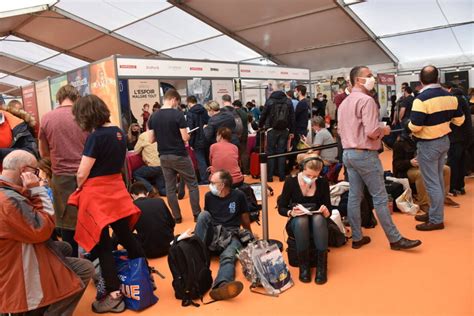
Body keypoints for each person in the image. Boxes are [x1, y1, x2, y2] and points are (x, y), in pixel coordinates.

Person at [69, 94, 145, 313]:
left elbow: (83, 172)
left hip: (98, 195)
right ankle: (142, 274)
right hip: (116, 189)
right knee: (125, 235)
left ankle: (113, 294)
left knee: (102, 245)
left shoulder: (96, 137)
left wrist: (78, 184)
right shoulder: (119, 132)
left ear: (86, 115)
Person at [0, 150, 94, 315]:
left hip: (12, 253)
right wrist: (38, 192)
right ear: (24, 171)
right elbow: (46, 228)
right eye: (35, 171)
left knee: (64, 247)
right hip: (18, 264)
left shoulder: (7, 192)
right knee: (85, 268)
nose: (37, 176)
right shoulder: (10, 201)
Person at [338, 65, 422, 250]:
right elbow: (372, 132)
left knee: (354, 196)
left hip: (348, 153)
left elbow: (340, 130)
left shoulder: (343, 103)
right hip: (365, 154)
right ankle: (395, 239)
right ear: (357, 79)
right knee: (380, 198)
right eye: (368, 76)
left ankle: (358, 237)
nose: (372, 78)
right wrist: (383, 130)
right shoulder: (366, 101)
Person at [409, 66, 465, 231]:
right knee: (438, 180)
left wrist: (408, 124)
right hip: (444, 141)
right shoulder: (450, 96)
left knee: (432, 182)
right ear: (438, 78)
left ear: (420, 80)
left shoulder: (421, 99)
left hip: (428, 145)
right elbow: (459, 120)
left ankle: (436, 219)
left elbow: (415, 126)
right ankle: (434, 213)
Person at [38, 84, 88, 257]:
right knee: (92, 220)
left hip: (61, 177)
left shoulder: (47, 118)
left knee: (67, 224)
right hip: (88, 175)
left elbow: (43, 152)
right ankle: (97, 265)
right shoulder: (85, 115)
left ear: (58, 98)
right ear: (76, 97)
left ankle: (73, 266)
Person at [194, 170, 251, 301]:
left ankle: (222, 285)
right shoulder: (209, 196)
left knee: (228, 257)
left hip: (232, 233)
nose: (210, 185)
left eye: (213, 183)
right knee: (203, 215)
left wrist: (249, 235)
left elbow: (245, 217)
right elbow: (206, 220)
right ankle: (196, 251)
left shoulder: (239, 195)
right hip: (213, 232)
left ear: (223, 184)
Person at [148, 89, 201, 223]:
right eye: (177, 102)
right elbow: (185, 138)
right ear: (173, 99)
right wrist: (189, 134)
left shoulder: (153, 116)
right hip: (179, 155)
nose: (177, 105)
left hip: (163, 156)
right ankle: (196, 214)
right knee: (193, 184)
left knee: (170, 188)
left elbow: (151, 139)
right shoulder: (178, 115)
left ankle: (176, 217)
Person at [277, 153, 331, 284]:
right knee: (302, 221)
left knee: (318, 219)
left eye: (315, 176)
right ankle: (304, 266)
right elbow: (281, 207)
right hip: (297, 221)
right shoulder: (291, 181)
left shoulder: (323, 182)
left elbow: (329, 208)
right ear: (302, 169)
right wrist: (291, 212)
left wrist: (326, 211)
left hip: (318, 221)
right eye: (308, 175)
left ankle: (321, 267)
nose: (311, 179)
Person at [392, 124, 460, 213]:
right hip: (406, 170)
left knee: (446, 169)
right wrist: (410, 162)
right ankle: (423, 203)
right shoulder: (399, 143)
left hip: (423, 164)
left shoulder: (420, 139)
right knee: (420, 174)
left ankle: (443, 196)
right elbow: (397, 164)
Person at [259, 84, 295, 182]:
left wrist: (260, 125)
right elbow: (292, 117)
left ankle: (270, 177)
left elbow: (263, 114)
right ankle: (282, 176)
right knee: (281, 152)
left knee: (270, 152)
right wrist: (292, 131)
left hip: (271, 129)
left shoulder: (269, 101)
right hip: (284, 130)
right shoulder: (288, 101)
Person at [129, 182, 175, 258]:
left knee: (122, 233)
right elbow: (172, 223)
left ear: (132, 194)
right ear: (147, 193)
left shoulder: (132, 207)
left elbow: (127, 230)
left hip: (148, 252)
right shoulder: (160, 201)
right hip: (169, 247)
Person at [443, 83, 472, 196]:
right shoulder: (462, 97)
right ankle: (460, 186)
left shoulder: (454, 99)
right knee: (460, 162)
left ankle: (453, 187)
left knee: (453, 163)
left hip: (457, 136)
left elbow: (455, 118)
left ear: (448, 89)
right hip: (465, 136)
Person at [132, 130, 166, 196]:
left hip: (153, 166)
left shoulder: (143, 136)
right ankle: (174, 190)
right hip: (163, 165)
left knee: (136, 173)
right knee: (162, 189)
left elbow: (136, 151)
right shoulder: (162, 133)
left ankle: (150, 189)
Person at [186, 95, 210, 184]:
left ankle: (204, 180)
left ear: (189, 103)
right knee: (207, 159)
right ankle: (210, 178)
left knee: (201, 161)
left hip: (196, 139)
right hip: (206, 138)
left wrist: (191, 143)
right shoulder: (204, 110)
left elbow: (191, 129)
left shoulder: (190, 113)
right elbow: (208, 122)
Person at [233, 100, 250, 174]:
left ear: (234, 105)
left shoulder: (234, 113)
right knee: (244, 152)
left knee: (234, 152)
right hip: (244, 134)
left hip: (236, 135)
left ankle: (236, 170)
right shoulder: (244, 113)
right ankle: (246, 170)